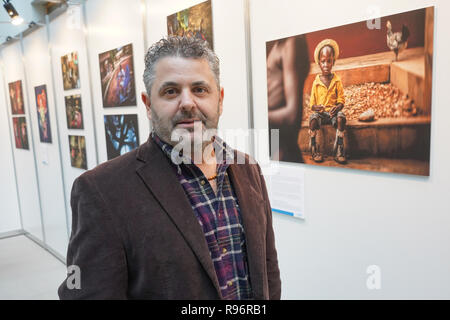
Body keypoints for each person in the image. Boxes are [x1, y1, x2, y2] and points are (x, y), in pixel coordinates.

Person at [58, 36, 281, 300]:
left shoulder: (248, 170)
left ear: (219, 99)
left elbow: (268, 270)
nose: (187, 103)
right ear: (148, 104)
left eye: (200, 89)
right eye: (171, 91)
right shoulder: (101, 191)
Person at [266, 35, 310, 163]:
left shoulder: (291, 42)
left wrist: (258, 117)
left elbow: (292, 115)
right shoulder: (277, 44)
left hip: (283, 150)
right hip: (275, 146)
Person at [309, 39, 347, 164]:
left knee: (342, 118)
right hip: (321, 114)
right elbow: (311, 105)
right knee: (313, 120)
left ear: (333, 62)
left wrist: (338, 107)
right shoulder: (316, 82)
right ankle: (314, 148)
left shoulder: (337, 81)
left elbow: (341, 100)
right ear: (319, 63)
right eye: (323, 61)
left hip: (332, 114)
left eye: (329, 61)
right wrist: (316, 108)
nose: (326, 64)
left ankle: (339, 149)